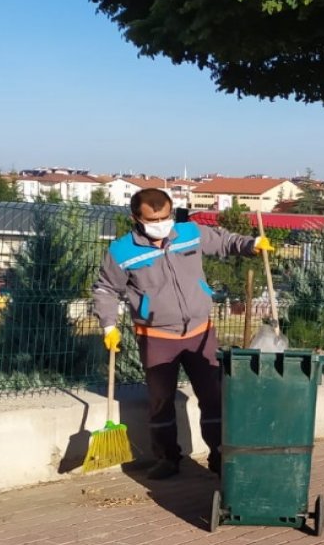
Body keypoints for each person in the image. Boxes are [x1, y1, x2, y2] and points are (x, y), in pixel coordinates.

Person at [93, 188, 273, 479]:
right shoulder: (121, 251)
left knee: (213, 397)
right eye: (153, 219)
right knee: (161, 401)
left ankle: (219, 455)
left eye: (165, 217)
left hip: (200, 333)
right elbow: (105, 289)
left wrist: (252, 244)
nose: (161, 224)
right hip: (157, 337)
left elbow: (224, 241)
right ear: (135, 218)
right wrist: (109, 325)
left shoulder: (189, 233)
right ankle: (167, 458)